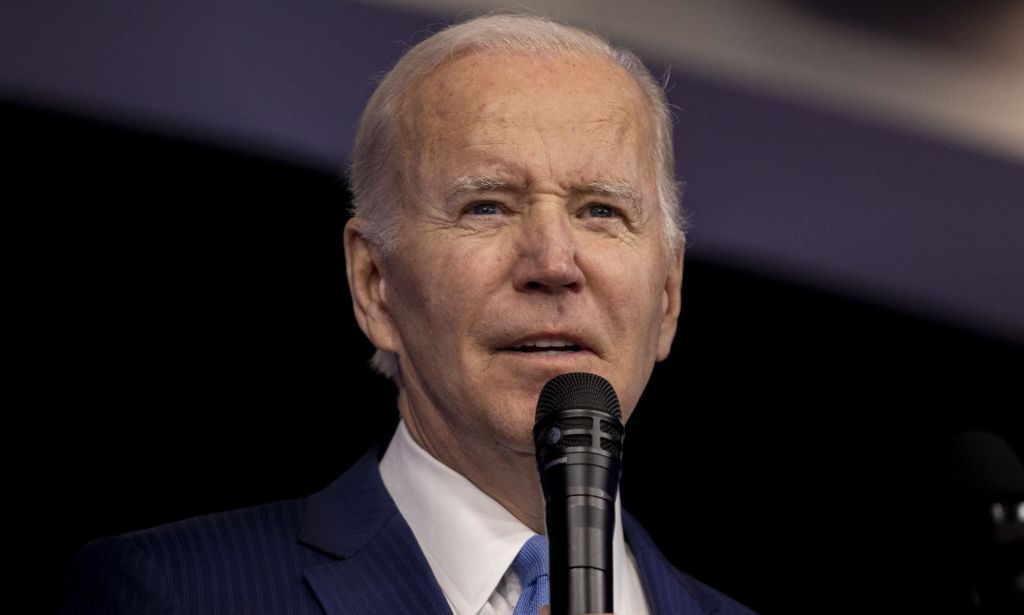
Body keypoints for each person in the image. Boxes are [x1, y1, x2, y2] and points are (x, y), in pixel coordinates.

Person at [61, 13, 756, 615]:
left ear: (667, 294)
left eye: (600, 211)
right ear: (374, 283)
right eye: (486, 205)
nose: (552, 261)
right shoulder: (181, 594)